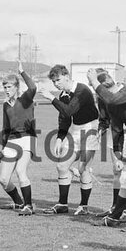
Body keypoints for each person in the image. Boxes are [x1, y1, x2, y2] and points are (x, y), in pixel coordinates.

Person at [86, 69, 126, 228]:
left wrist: (94, 82)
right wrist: (117, 152)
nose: (96, 92)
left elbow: (112, 100)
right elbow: (114, 125)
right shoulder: (105, 99)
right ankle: (117, 212)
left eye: (96, 87)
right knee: (123, 175)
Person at [38, 65, 101, 215]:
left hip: (90, 129)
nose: (56, 84)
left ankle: (83, 206)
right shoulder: (63, 95)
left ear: (67, 76)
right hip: (76, 130)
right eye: (54, 81)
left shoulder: (82, 90)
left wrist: (51, 97)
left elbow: (69, 110)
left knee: (83, 168)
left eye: (58, 80)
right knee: (61, 166)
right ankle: (62, 204)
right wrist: (60, 138)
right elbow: (64, 118)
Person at [0, 64, 37, 216]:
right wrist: (3, 149)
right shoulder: (6, 105)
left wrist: (22, 72)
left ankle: (29, 206)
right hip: (12, 141)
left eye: (9, 87)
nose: (7, 90)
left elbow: (33, 87)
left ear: (16, 87)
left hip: (27, 137)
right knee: (3, 179)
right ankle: (19, 203)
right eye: (5, 87)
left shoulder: (25, 99)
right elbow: (6, 127)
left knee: (20, 171)